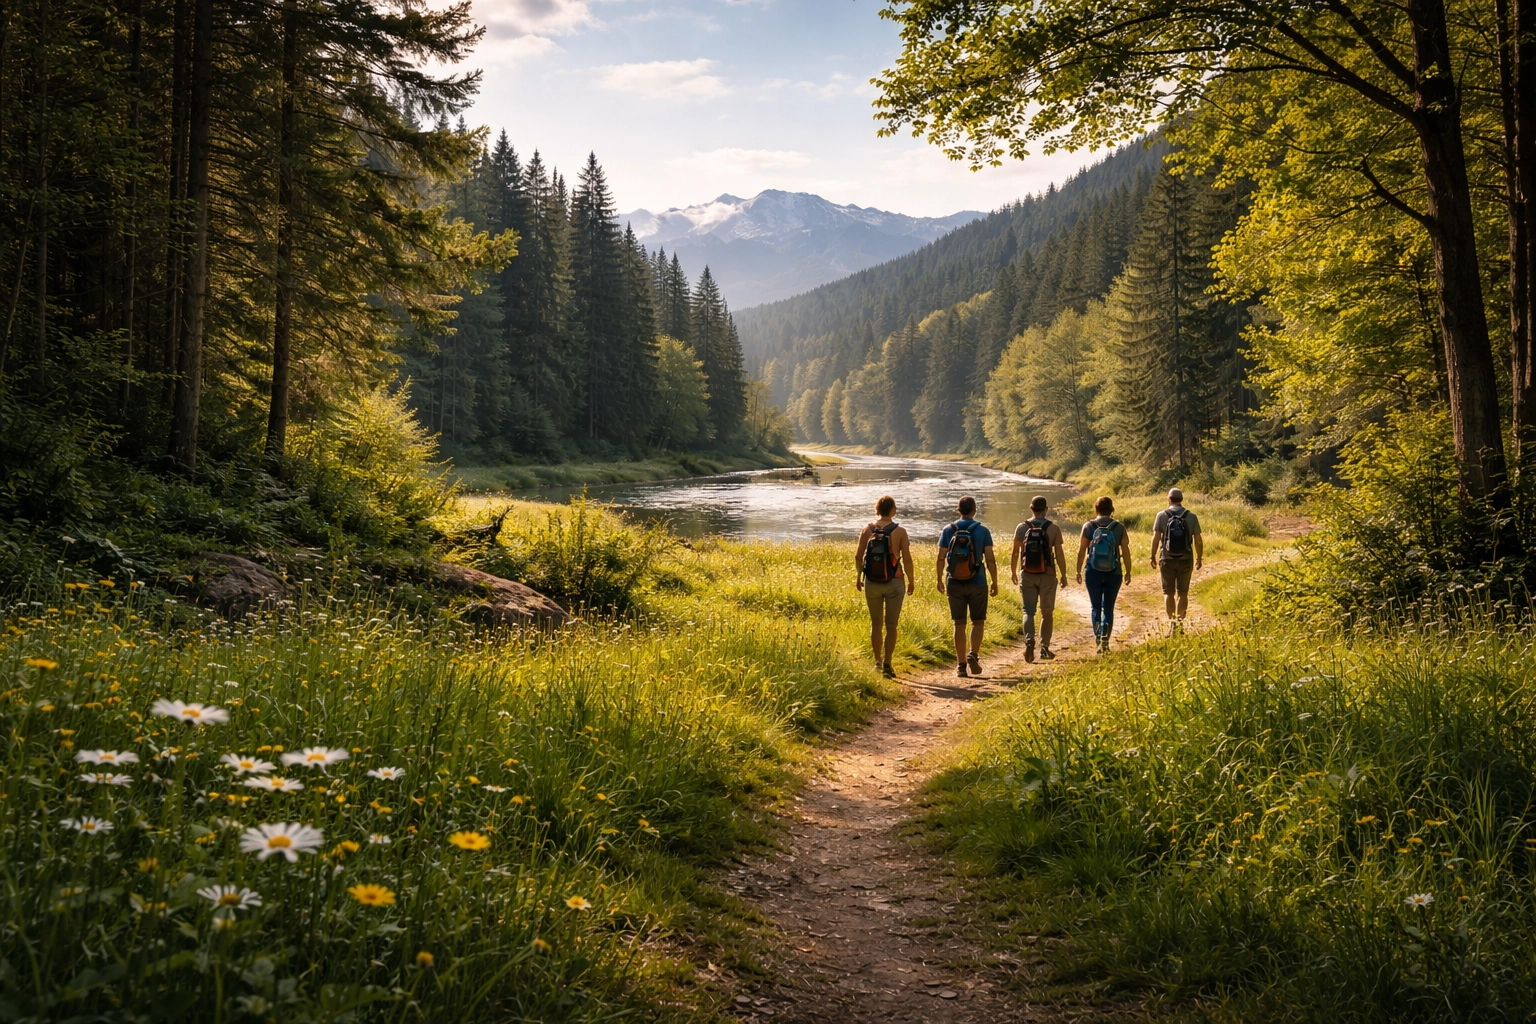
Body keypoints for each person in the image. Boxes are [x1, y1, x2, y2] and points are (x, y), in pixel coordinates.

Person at [937, 495, 998, 678]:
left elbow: (941, 557)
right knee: (978, 622)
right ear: (974, 510)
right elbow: (990, 559)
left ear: (958, 510)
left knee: (959, 624)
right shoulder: (983, 531)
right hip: (977, 581)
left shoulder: (949, 529)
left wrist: (939, 579)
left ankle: (961, 665)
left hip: (954, 582)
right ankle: (973, 654)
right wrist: (994, 581)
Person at [855, 495, 915, 678]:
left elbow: (858, 557)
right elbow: (907, 558)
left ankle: (877, 662)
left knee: (876, 623)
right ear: (893, 510)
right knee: (891, 625)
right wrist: (911, 580)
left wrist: (859, 577)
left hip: (872, 582)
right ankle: (888, 663)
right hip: (895, 582)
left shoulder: (867, 529)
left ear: (877, 509)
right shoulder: (900, 531)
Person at [1010, 496, 1068, 663]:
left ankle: (1029, 640)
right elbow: (1059, 554)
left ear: (1031, 508)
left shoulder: (1022, 527)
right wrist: (1063, 574)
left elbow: (1015, 552)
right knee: (1047, 612)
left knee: (1028, 611)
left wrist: (1014, 571)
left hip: (1027, 573)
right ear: (1046, 509)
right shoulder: (1053, 528)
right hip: (1048, 574)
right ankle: (1044, 648)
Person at [1075, 496, 1133, 653]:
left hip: (1092, 571)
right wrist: (1128, 571)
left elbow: (1082, 551)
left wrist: (1078, 570)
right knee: (1108, 608)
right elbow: (1125, 552)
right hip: (1114, 572)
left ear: (1096, 509)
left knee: (1095, 607)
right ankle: (1105, 640)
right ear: (1112, 510)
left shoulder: (1088, 526)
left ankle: (1098, 638)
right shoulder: (1119, 527)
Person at [1150, 487, 1203, 629]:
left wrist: (1152, 556)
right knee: (1183, 593)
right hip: (1186, 559)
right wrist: (1199, 557)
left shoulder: (1161, 515)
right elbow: (1198, 540)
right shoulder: (1191, 516)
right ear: (1181, 500)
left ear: (1169, 499)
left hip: (1166, 559)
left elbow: (1156, 539)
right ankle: (1180, 623)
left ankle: (1172, 623)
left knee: (1168, 592)